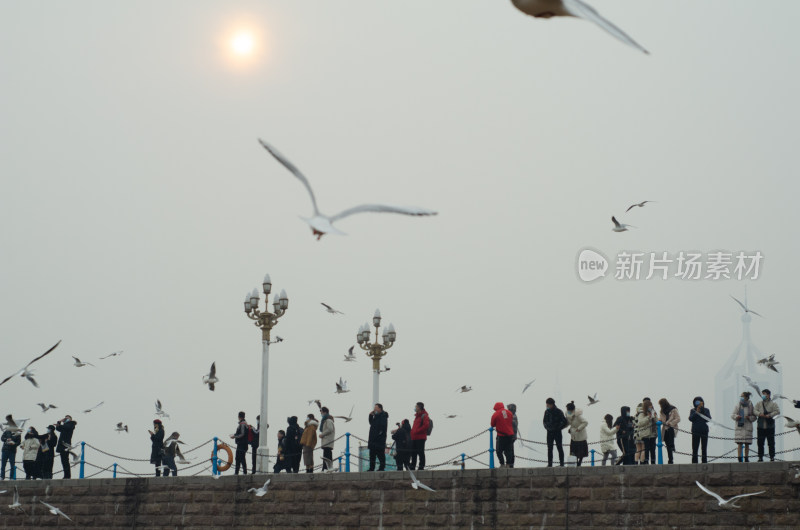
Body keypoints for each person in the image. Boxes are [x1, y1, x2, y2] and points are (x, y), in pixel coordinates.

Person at [754, 389, 780, 462]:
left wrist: (770, 415)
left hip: (770, 426)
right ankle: (760, 457)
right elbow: (754, 410)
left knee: (771, 443)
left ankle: (772, 457)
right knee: (760, 443)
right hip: (761, 426)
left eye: (764, 394)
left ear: (768, 395)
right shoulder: (759, 403)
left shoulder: (773, 403)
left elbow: (778, 411)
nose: (763, 395)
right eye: (762, 394)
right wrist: (760, 414)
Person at [732, 392, 756, 463]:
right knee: (739, 443)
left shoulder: (751, 406)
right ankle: (739, 458)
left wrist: (749, 417)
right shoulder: (738, 405)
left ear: (746, 397)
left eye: (742, 396)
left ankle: (746, 458)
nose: (741, 398)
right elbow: (732, 415)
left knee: (747, 443)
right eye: (741, 396)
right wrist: (737, 417)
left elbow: (755, 417)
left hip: (748, 426)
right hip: (740, 427)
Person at [543, 398, 567, 467]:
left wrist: (558, 428)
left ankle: (562, 463)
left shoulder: (559, 411)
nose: (547, 406)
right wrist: (548, 428)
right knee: (549, 448)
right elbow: (544, 422)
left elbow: (564, 422)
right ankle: (550, 464)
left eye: (548, 404)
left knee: (559, 447)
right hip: (549, 433)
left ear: (552, 404)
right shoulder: (546, 412)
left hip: (557, 433)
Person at [491, 402, 515, 468]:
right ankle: (508, 464)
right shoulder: (509, 413)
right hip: (510, 435)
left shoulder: (496, 414)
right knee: (508, 451)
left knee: (499, 451)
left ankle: (502, 464)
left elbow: (492, 424)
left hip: (501, 435)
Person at [565, 402, 588, 466]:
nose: (568, 411)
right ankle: (574, 463)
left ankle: (579, 463)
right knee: (573, 451)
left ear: (572, 410)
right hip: (573, 435)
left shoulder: (578, 415)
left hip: (580, 435)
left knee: (581, 452)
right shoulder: (567, 414)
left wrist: (579, 428)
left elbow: (585, 422)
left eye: (569, 410)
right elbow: (568, 423)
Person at [635, 398, 657, 465]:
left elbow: (657, 422)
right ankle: (646, 461)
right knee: (646, 449)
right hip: (645, 434)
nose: (650, 407)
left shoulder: (654, 412)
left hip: (653, 433)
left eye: (651, 406)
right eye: (649, 406)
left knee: (653, 449)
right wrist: (648, 417)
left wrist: (655, 417)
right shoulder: (641, 414)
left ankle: (653, 461)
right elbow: (640, 423)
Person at [688, 396, 710, 464]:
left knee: (704, 448)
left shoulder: (706, 410)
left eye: (699, 402)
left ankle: (704, 461)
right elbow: (690, 418)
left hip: (704, 431)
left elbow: (708, 419)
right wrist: (696, 412)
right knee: (695, 448)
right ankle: (694, 462)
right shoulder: (693, 410)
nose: (697, 403)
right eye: (696, 402)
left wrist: (702, 410)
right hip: (695, 431)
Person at [658, 398, 680, 464]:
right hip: (665, 429)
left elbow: (678, 418)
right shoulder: (662, 411)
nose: (661, 406)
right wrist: (660, 420)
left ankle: (672, 446)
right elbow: (661, 419)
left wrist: (671, 423)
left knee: (670, 442)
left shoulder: (673, 409)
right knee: (667, 445)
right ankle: (670, 460)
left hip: (672, 428)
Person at [368, 404, 389, 472]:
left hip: (379, 439)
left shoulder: (383, 416)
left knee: (380, 454)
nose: (374, 409)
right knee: (372, 454)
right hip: (372, 438)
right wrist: (370, 416)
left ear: (380, 409)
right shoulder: (376, 416)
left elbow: (382, 427)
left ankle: (382, 467)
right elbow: (371, 423)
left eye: (376, 408)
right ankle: (371, 468)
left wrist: (378, 435)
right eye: (374, 408)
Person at [410, 402, 430, 471]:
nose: (415, 408)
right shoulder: (416, 416)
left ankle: (421, 466)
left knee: (420, 452)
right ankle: (413, 466)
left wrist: (417, 431)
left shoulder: (424, 416)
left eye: (416, 406)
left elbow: (426, 426)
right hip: (414, 437)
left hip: (421, 437)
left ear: (419, 407)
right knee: (413, 453)